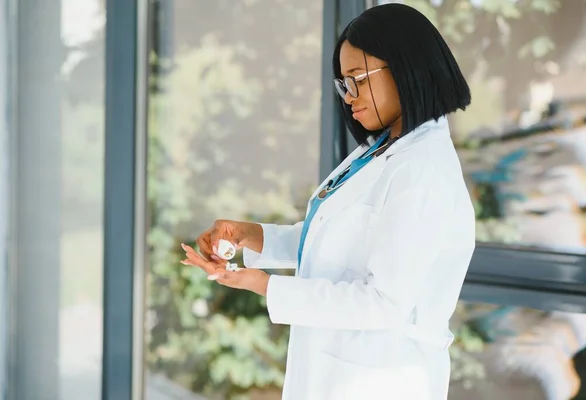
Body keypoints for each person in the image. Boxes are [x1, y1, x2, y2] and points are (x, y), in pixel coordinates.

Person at [180, 3, 475, 399]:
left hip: (382, 378)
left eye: (357, 79)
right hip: (338, 368)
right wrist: (251, 236)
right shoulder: (383, 149)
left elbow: (384, 302)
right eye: (343, 83)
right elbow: (336, 239)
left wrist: (267, 288)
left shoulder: (422, 173)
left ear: (407, 66)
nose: (348, 96)